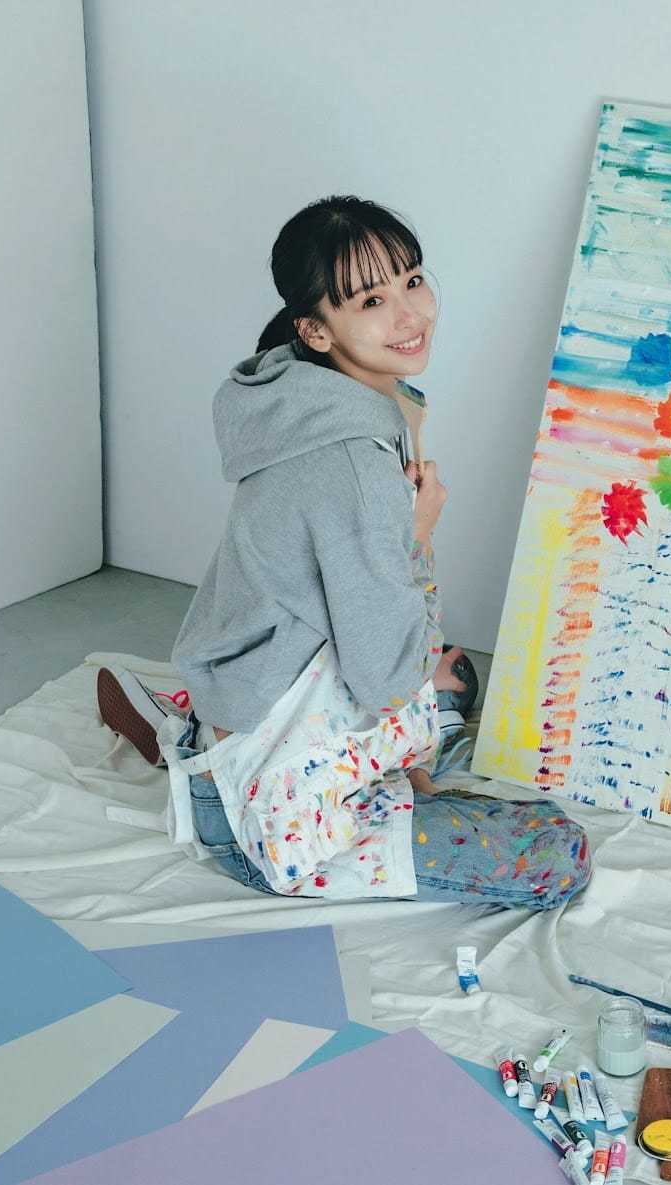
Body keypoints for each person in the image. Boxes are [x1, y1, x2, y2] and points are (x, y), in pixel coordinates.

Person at [97, 195, 589, 908]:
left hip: (256, 711)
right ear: (315, 329)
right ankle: (203, 766)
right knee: (557, 853)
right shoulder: (353, 460)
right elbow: (388, 678)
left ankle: (190, 739)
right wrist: (419, 533)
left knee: (450, 683)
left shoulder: (305, 399)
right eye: (371, 300)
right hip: (274, 817)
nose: (409, 314)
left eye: (412, 281)